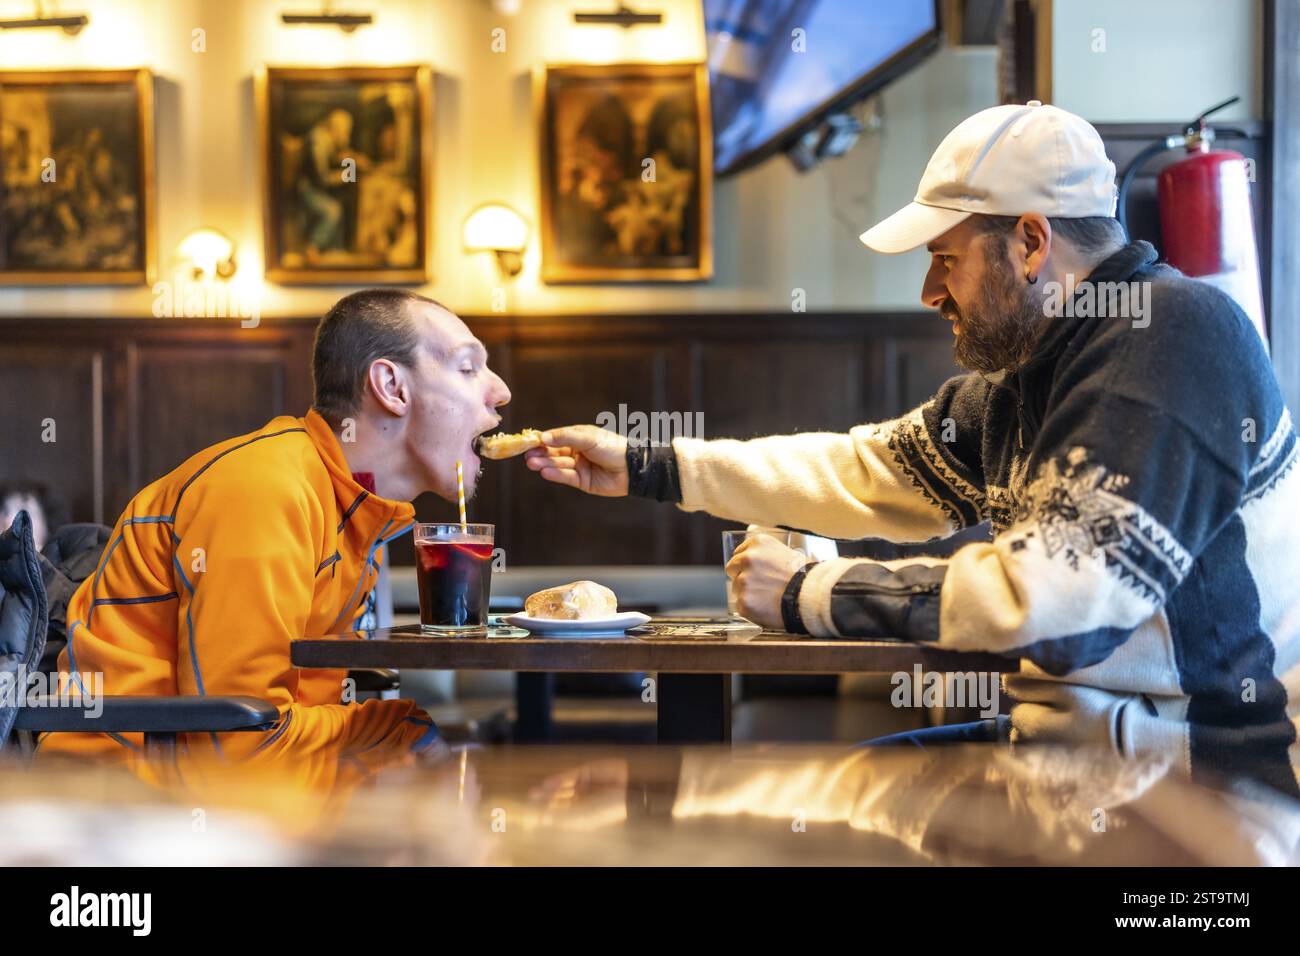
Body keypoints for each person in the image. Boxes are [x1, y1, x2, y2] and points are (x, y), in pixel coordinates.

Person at [523, 102, 1300, 795]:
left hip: (1200, 795)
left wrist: (810, 592)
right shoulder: (1029, 376)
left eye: (945, 258)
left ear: (1031, 243)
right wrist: (649, 465)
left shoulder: (1169, 336)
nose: (930, 294)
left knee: (785, 819)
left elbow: (1057, 610)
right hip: (1065, 765)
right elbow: (863, 472)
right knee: (776, 800)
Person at [39, 289, 511, 788]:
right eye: (467, 367)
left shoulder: (352, 509)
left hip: (239, 799)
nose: (499, 390)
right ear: (391, 386)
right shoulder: (265, 488)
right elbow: (239, 741)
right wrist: (398, 730)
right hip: (118, 806)